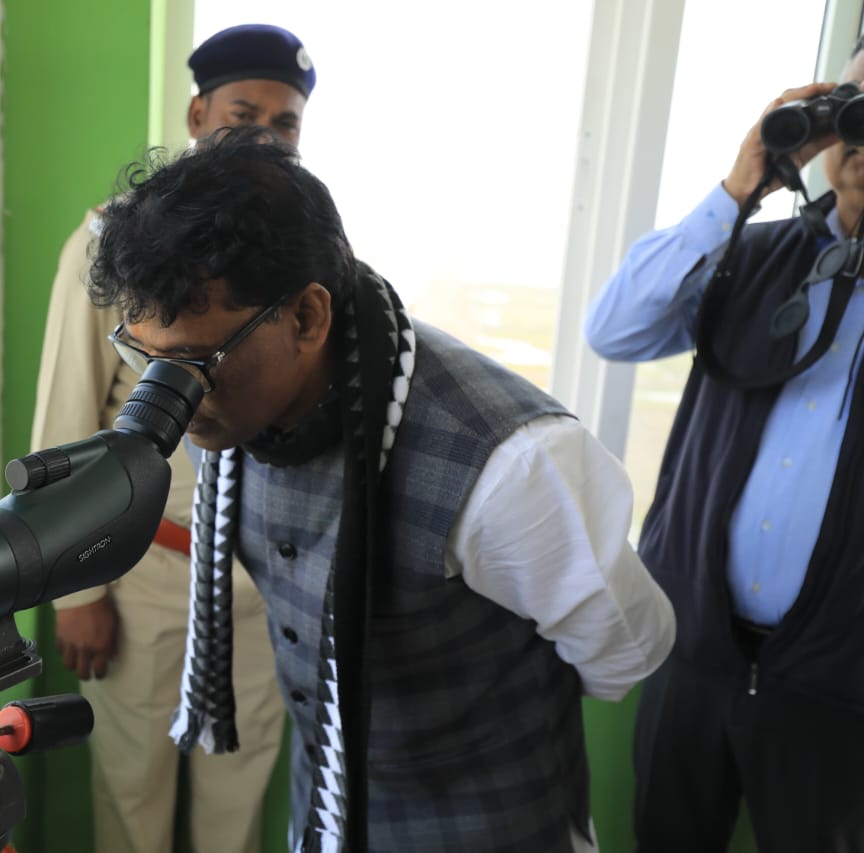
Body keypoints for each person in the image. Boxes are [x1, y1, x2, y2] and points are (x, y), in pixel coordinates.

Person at [85, 126, 676, 853]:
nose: (166, 389)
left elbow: (628, 647)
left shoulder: (511, 462)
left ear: (306, 316)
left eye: (190, 361)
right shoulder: (235, 405)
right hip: (330, 813)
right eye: (142, 354)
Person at [30, 23, 316, 853]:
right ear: (197, 114)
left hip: (265, 580)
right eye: (242, 110)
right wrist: (77, 596)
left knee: (238, 804)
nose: (265, 134)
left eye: (286, 120)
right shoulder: (115, 243)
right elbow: (65, 423)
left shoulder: (307, 259)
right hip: (148, 572)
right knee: (132, 800)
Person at [585, 43, 864, 853]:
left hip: (839, 691)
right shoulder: (752, 256)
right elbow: (614, 328)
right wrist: (740, 188)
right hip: (695, 651)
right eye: (853, 103)